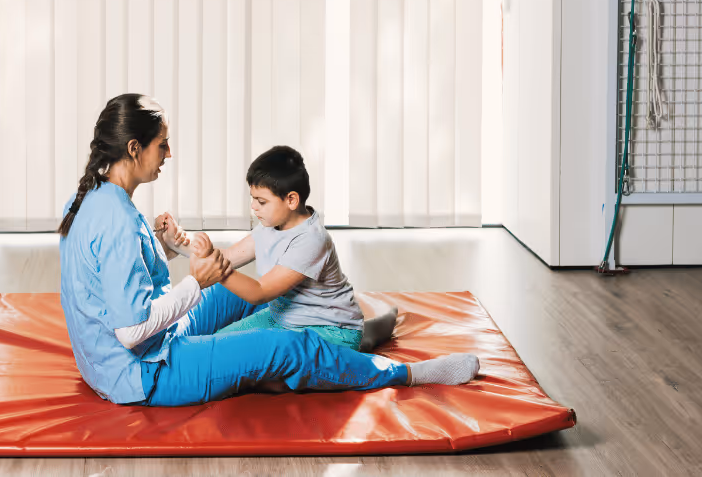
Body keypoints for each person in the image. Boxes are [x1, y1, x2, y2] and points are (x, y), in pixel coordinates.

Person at [58, 93, 480, 407]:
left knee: (231, 289)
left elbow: (121, 273)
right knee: (283, 347)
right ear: (135, 148)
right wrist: (193, 283)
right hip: (144, 372)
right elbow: (130, 330)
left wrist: (167, 247)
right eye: (162, 144)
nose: (169, 152)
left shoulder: (94, 199)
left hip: (133, 352)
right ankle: (407, 374)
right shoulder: (114, 220)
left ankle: (349, 335)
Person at [159, 145, 389, 352]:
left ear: (291, 200)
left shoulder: (311, 240)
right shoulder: (270, 226)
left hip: (330, 330)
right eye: (252, 198)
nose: (253, 207)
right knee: (219, 346)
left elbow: (260, 292)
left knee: (260, 369)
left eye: (261, 201)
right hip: (284, 319)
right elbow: (227, 257)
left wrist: (216, 269)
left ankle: (365, 338)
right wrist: (176, 242)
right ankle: (377, 328)